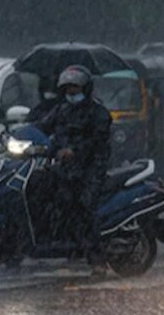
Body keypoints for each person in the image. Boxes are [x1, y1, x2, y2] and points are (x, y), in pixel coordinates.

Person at [36, 65, 113, 268]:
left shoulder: (98, 113)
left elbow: (97, 141)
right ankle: (63, 244)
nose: (71, 92)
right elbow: (42, 126)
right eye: (68, 88)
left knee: (84, 208)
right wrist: (17, 131)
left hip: (90, 169)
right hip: (65, 167)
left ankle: (97, 260)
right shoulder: (61, 110)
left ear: (86, 89)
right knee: (46, 194)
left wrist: (75, 151)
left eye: (76, 88)